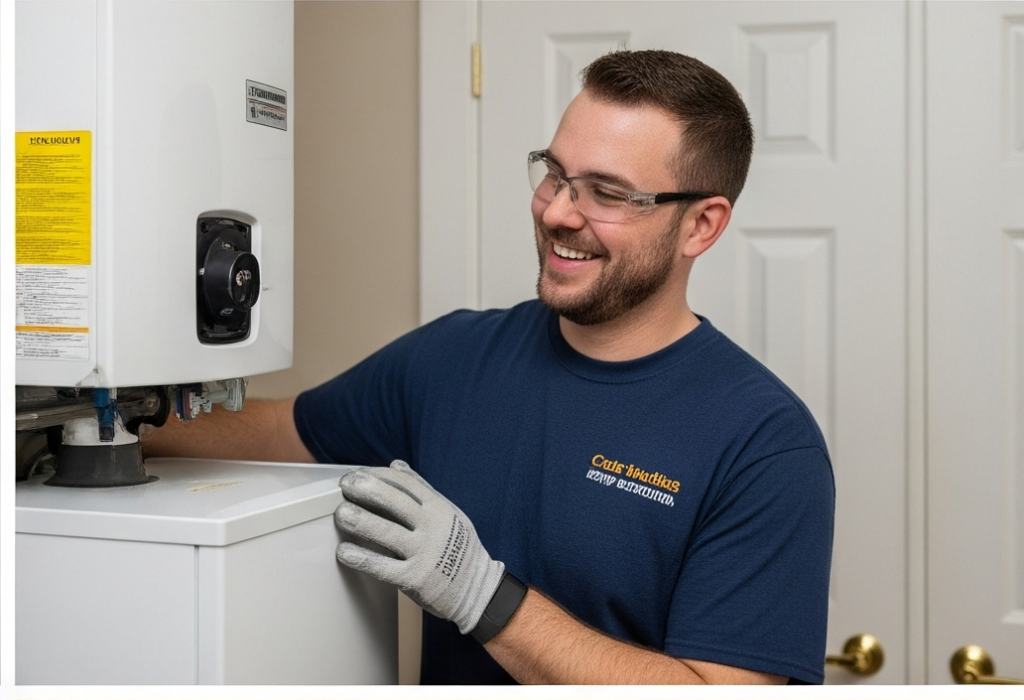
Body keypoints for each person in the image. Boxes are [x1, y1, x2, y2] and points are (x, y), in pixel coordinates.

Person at [143, 49, 834, 685]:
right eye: (556, 174)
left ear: (701, 225)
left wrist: (479, 593)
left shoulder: (764, 443)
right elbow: (271, 436)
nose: (559, 212)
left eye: (607, 192)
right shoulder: (453, 359)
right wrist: (76, 412)